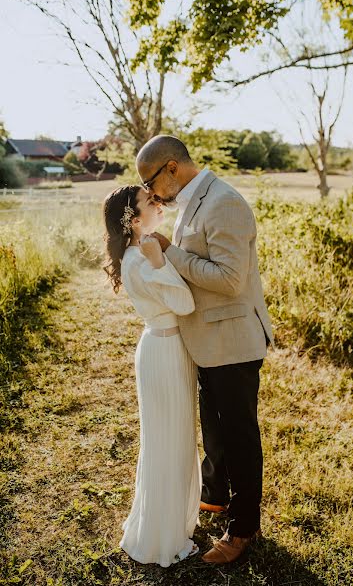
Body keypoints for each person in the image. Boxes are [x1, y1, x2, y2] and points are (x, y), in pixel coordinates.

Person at [135, 134, 275, 565]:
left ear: (172, 168)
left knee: (238, 437)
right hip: (207, 342)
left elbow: (231, 279)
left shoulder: (224, 203)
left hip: (232, 341)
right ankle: (214, 499)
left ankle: (243, 528)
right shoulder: (194, 200)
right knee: (214, 429)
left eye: (151, 182)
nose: (151, 194)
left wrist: (171, 254)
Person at [102, 184, 201, 568]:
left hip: (164, 346)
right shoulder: (142, 259)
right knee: (168, 441)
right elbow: (184, 303)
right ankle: (162, 536)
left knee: (172, 438)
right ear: (134, 217)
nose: (158, 204)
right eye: (150, 202)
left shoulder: (137, 252)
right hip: (163, 351)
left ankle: (172, 519)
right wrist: (160, 262)